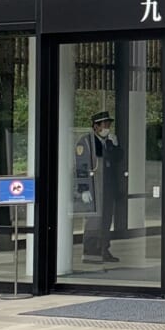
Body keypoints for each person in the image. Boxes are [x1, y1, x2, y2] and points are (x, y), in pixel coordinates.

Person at [73, 110, 124, 263]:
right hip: (93, 186)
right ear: (95, 126)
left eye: (108, 125)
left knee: (107, 219)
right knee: (94, 221)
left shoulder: (109, 141)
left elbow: (117, 159)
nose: (107, 127)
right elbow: (81, 166)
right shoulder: (86, 142)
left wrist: (114, 146)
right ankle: (90, 252)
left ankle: (104, 249)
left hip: (108, 186)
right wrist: (83, 189)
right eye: (104, 125)